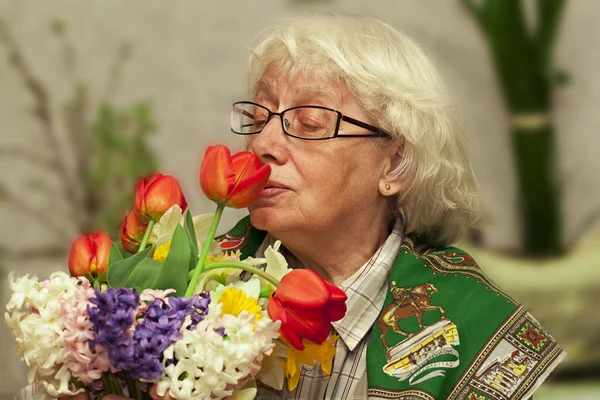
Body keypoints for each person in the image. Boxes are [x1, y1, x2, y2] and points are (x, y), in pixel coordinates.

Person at [78, 13, 564, 400]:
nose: (264, 143)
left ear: (394, 165)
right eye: (259, 116)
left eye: (309, 123)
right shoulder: (188, 287)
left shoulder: (472, 320)